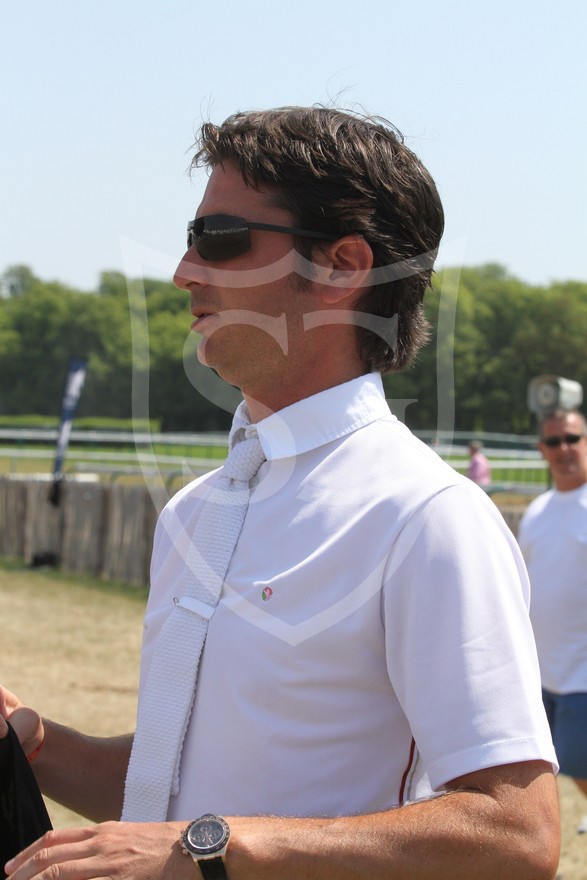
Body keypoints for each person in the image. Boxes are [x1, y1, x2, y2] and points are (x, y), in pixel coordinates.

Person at [1, 106, 559, 880]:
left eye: (220, 240)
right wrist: (32, 743)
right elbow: (174, 796)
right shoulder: (194, 510)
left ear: (340, 267)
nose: (183, 269)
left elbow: (514, 833)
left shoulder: (428, 516)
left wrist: (209, 845)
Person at [518, 408, 587, 834]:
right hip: (542, 673)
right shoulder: (538, 510)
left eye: (572, 438)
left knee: (578, 766)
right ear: (542, 449)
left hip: (583, 674)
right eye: (554, 441)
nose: (564, 449)